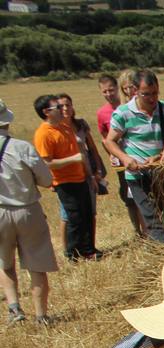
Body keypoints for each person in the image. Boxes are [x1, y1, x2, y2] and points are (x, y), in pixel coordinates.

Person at [104, 69, 164, 244]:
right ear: (135, 90)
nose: (152, 98)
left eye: (155, 93)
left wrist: (162, 156)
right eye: (146, 94)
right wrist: (125, 158)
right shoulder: (123, 113)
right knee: (153, 220)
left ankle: (161, 253)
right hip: (137, 175)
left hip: (161, 171)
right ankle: (163, 255)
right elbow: (110, 142)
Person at [0, 99, 56, 326]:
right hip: (28, 210)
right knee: (37, 263)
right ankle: (41, 315)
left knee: (4, 262)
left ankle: (15, 308)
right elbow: (46, 180)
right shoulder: (22, 147)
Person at [33, 94, 95, 262]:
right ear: (46, 112)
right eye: (58, 107)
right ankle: (73, 254)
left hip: (80, 178)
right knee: (74, 219)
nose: (63, 110)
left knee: (87, 215)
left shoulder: (65, 127)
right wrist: (73, 159)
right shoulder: (43, 134)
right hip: (64, 183)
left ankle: (89, 250)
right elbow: (46, 163)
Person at [56, 94, 106, 256]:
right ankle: (68, 250)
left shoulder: (81, 125)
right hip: (67, 177)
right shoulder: (55, 129)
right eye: (61, 106)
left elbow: (92, 148)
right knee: (68, 215)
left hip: (87, 173)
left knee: (89, 211)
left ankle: (89, 246)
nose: (65, 109)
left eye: (68, 105)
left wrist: (98, 169)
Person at [96, 73, 145, 238]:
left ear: (117, 89)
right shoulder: (102, 113)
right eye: (104, 92)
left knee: (142, 192)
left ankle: (148, 229)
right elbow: (105, 139)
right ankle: (137, 231)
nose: (109, 94)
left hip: (137, 154)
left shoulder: (127, 106)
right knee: (128, 195)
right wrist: (111, 155)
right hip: (120, 160)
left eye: (111, 90)